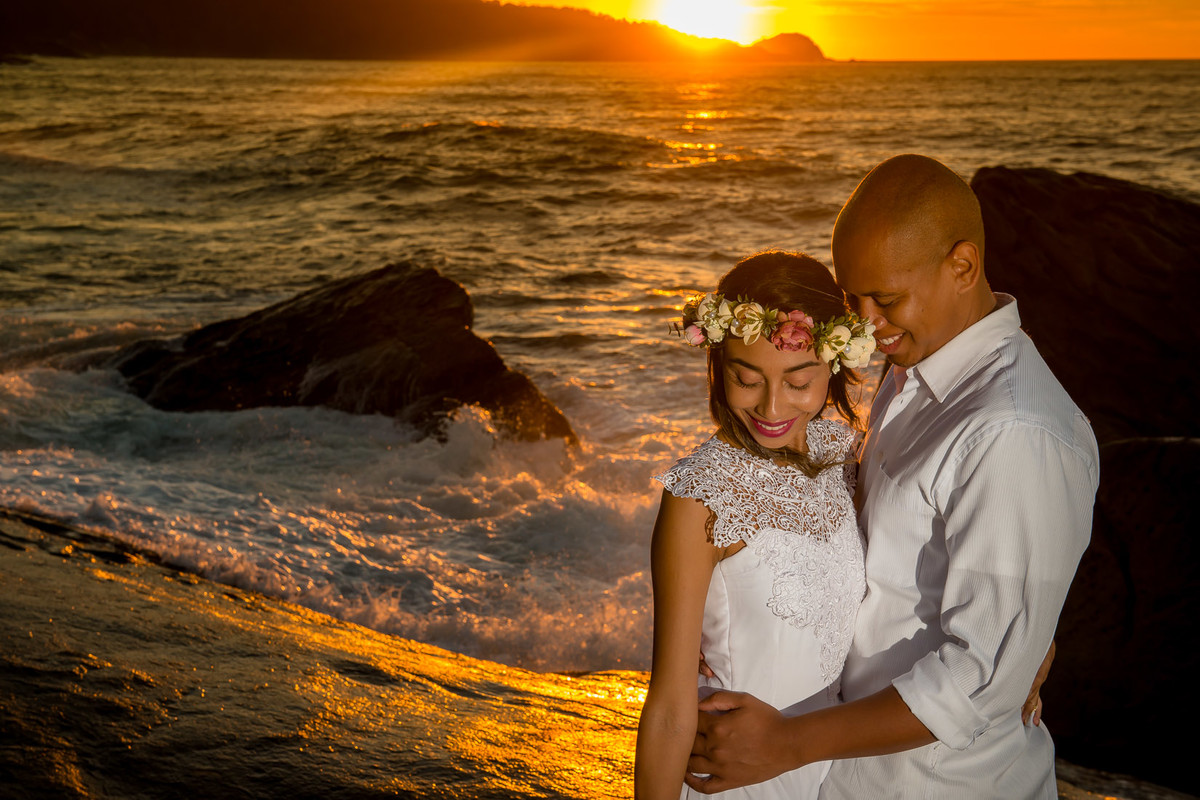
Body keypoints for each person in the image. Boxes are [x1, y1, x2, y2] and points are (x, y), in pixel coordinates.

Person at [684, 154, 1099, 798]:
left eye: (887, 299)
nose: (865, 323)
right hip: (848, 771)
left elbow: (978, 677)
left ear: (961, 267)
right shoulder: (913, 372)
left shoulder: (1014, 429)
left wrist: (789, 742)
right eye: (854, 296)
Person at [634, 250, 878, 799]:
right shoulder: (699, 497)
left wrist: (1028, 643)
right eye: (747, 379)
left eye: (799, 380)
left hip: (827, 771)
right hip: (736, 784)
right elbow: (670, 705)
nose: (772, 406)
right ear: (718, 366)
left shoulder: (844, 455)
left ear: (833, 364)